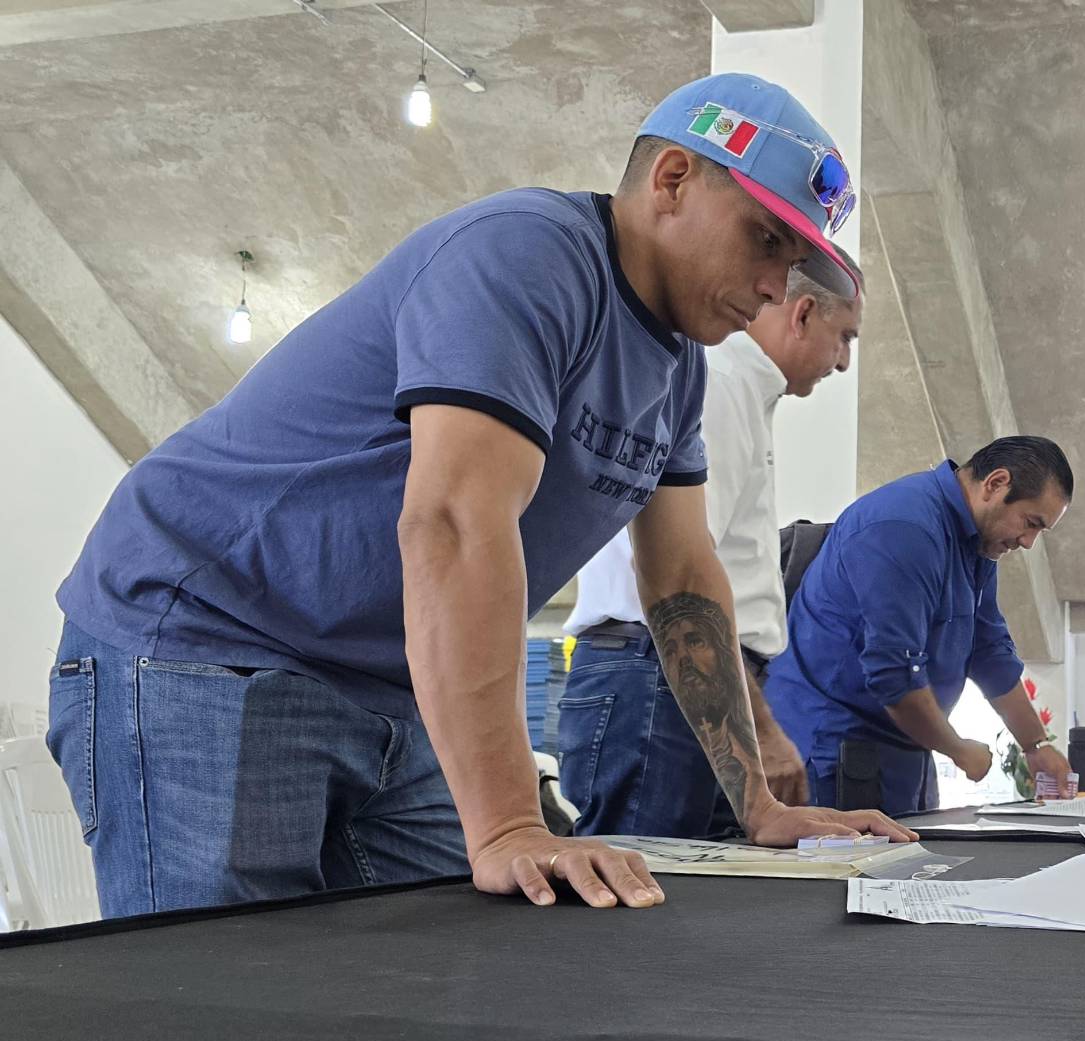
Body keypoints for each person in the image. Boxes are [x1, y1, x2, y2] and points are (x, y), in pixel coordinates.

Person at [44, 72, 907, 920]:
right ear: (672, 181)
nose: (775, 285)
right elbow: (454, 522)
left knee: (485, 955)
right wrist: (505, 826)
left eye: (792, 263)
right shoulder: (529, 255)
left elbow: (682, 579)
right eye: (764, 242)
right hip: (209, 638)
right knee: (221, 1004)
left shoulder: (676, 372)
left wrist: (757, 801)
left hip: (382, 685)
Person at [559, 251, 864, 838]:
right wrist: (763, 736)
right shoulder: (721, 383)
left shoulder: (740, 387)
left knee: (688, 904)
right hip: (663, 676)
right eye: (843, 337)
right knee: (644, 903)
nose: (845, 362)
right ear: (802, 314)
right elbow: (683, 580)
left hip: (677, 676)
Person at [764, 437, 1076, 815]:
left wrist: (1035, 746)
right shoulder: (904, 526)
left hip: (904, 751)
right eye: (1031, 523)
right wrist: (958, 749)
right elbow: (893, 674)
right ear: (996, 483)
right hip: (832, 750)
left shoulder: (977, 542)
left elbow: (989, 651)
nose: (1028, 542)